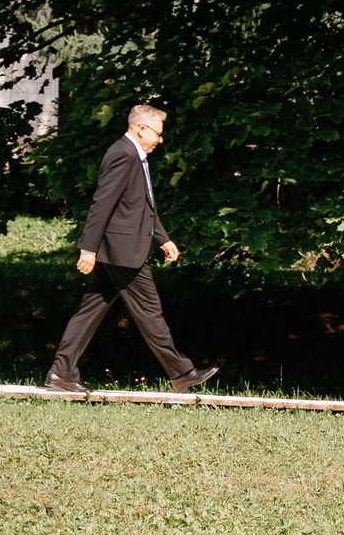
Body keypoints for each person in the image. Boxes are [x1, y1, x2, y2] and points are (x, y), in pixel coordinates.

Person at [44, 104, 218, 394]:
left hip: (119, 249)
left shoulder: (133, 155)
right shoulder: (123, 154)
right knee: (150, 311)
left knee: (89, 311)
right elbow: (102, 203)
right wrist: (88, 249)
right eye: (157, 134)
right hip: (123, 252)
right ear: (141, 129)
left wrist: (162, 238)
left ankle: (60, 373)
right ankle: (182, 373)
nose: (160, 140)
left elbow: (139, 205)